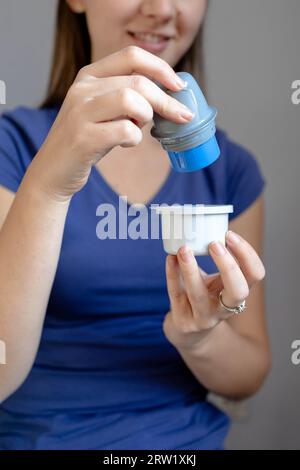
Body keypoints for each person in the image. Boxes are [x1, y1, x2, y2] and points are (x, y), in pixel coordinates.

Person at [0, 0, 271, 450]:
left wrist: (200, 338)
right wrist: (48, 187)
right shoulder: (15, 150)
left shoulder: (232, 172)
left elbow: (249, 374)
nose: (162, 9)